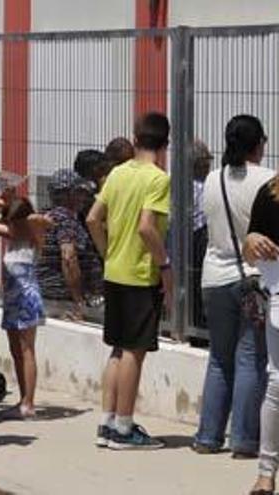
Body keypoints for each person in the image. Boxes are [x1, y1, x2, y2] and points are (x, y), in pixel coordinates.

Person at [86, 112, 171, 450]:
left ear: (135, 139)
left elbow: (93, 218)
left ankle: (107, 420)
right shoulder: (157, 179)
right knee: (135, 351)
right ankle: (123, 427)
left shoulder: (118, 173)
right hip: (139, 274)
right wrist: (164, 265)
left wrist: (108, 251)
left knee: (118, 348)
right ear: (165, 143)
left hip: (115, 271)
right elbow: (147, 227)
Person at [193, 116, 272, 458]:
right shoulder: (268, 180)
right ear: (259, 143)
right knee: (250, 359)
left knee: (219, 359)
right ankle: (244, 440)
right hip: (253, 278)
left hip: (213, 275)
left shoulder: (212, 179)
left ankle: (208, 437)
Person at [243, 157, 279, 495]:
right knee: (278, 384)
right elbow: (249, 250)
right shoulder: (270, 193)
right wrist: (252, 240)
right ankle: (266, 472)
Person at [0, 196, 51, 420]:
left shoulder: (32, 236)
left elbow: (45, 221)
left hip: (26, 297)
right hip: (10, 297)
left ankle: (29, 402)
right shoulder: (11, 236)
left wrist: (25, 219)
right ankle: (22, 398)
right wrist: (0, 205)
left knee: (27, 349)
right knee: (15, 350)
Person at [35, 169, 103, 320]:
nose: (83, 198)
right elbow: (69, 258)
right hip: (64, 301)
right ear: (68, 195)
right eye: (79, 192)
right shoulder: (66, 220)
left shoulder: (46, 215)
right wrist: (79, 301)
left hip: (46, 294)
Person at [191, 140, 213, 329]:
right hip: (198, 237)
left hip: (184, 239)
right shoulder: (204, 186)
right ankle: (197, 326)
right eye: (206, 161)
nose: (208, 165)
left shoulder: (176, 183)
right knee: (197, 284)